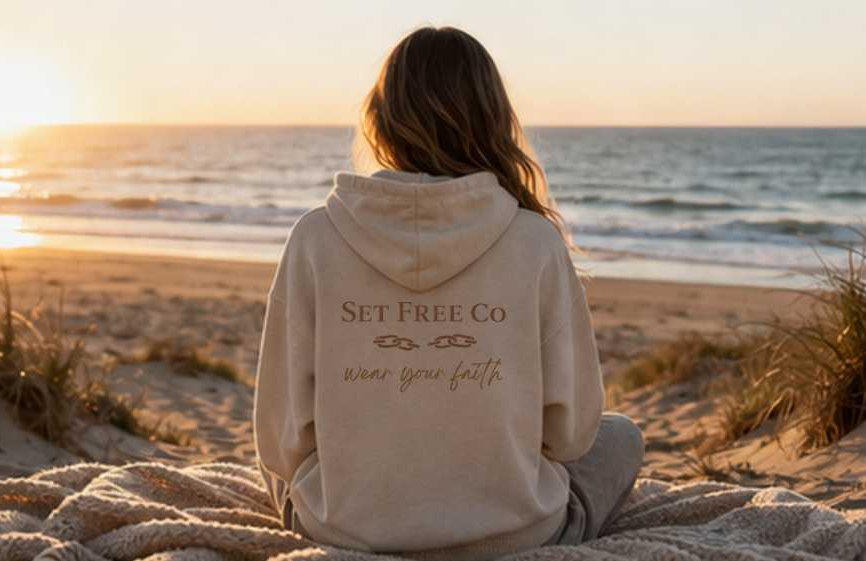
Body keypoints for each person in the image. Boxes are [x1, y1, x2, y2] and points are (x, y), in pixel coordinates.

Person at [254, 26, 643, 560]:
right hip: (513, 533)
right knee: (621, 438)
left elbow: (282, 441)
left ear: (380, 119)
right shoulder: (534, 241)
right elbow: (572, 433)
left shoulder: (314, 238)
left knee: (277, 466)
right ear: (494, 120)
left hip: (346, 531)